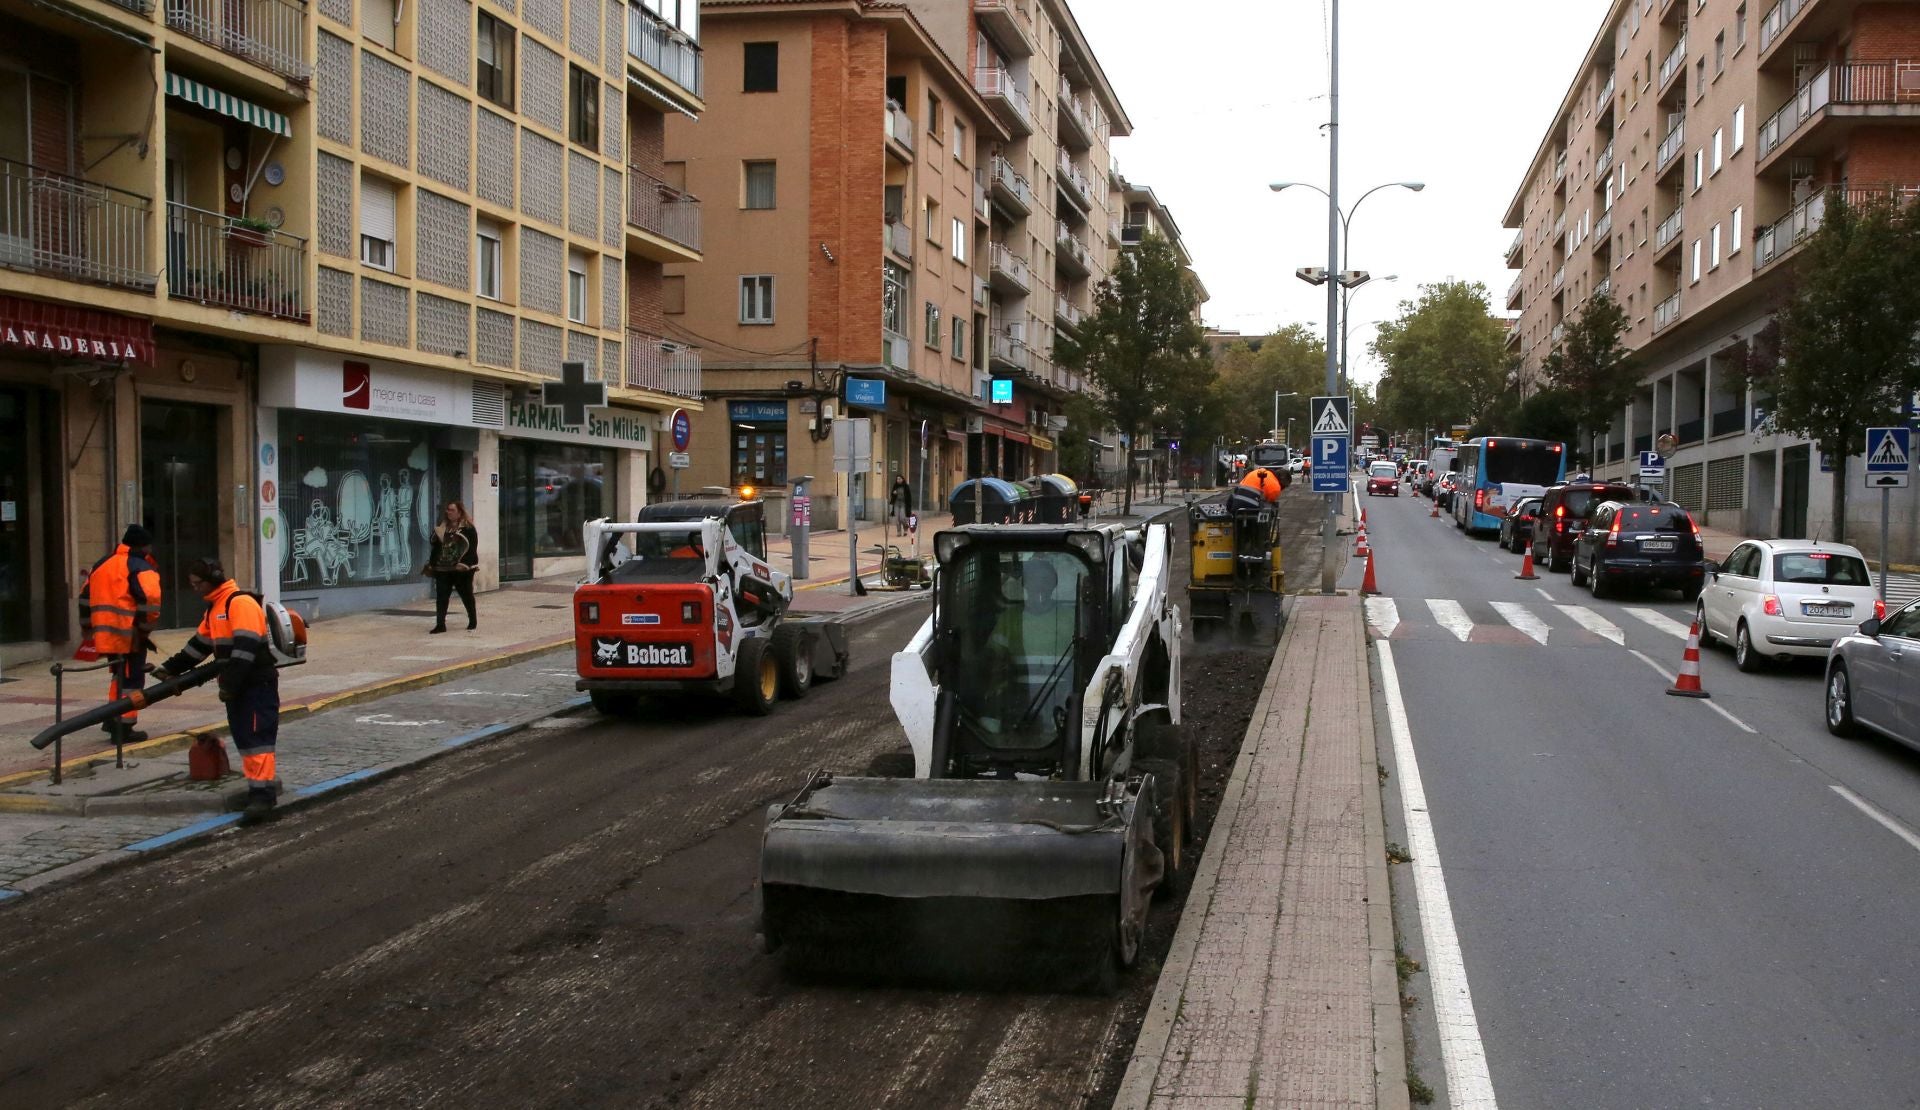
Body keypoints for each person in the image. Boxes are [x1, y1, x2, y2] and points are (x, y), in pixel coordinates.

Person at [150, 558, 279, 820]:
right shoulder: (215, 609)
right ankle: (257, 791)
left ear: (213, 580)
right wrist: (170, 668)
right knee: (245, 739)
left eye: (198, 583)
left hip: (256, 684)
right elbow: (198, 647)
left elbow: (245, 649)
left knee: (258, 740)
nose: (195, 588)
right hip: (239, 685)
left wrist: (230, 684)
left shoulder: (239, 603)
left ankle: (263, 798)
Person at [80, 525, 163, 742]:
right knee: (131, 681)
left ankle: (111, 717)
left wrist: (87, 627)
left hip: (105, 634)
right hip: (129, 634)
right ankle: (123, 728)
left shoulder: (103, 563)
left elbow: (84, 596)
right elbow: (151, 600)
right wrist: (145, 629)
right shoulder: (139, 566)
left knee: (119, 675)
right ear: (144, 545)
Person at [424, 501, 479, 634]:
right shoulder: (444, 527)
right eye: (447, 510)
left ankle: (472, 620)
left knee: (466, 594)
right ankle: (440, 624)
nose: (448, 512)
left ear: (459, 512)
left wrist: (465, 563)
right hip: (443, 568)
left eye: (451, 510)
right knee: (442, 596)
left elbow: (472, 548)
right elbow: (434, 544)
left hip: (460, 569)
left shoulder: (468, 528)